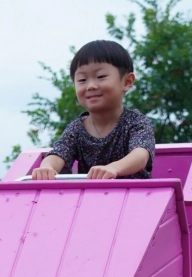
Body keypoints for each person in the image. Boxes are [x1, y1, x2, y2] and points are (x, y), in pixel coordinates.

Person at [31, 40, 155, 181]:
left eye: (101, 77)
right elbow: (58, 153)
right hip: (92, 194)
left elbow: (140, 155)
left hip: (134, 193)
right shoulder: (76, 129)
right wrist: (48, 167)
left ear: (127, 81)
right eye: (82, 80)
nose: (90, 86)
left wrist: (113, 168)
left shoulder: (136, 122)